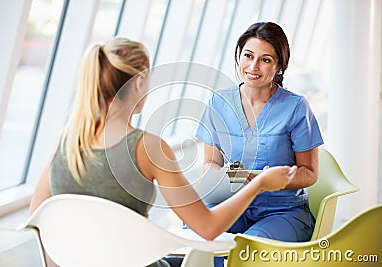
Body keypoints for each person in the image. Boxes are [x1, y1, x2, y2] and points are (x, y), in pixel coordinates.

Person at [30, 36, 297, 267]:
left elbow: (40, 217)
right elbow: (208, 227)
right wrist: (260, 183)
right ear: (138, 83)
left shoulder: (66, 140)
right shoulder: (147, 148)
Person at [195, 21, 324, 255]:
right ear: (239, 57)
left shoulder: (295, 107)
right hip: (232, 203)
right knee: (200, 237)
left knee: (250, 249)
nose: (253, 66)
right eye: (248, 55)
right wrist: (228, 176)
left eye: (265, 60)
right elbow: (210, 163)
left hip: (282, 211)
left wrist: (264, 180)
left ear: (279, 67)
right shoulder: (219, 102)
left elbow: (310, 173)